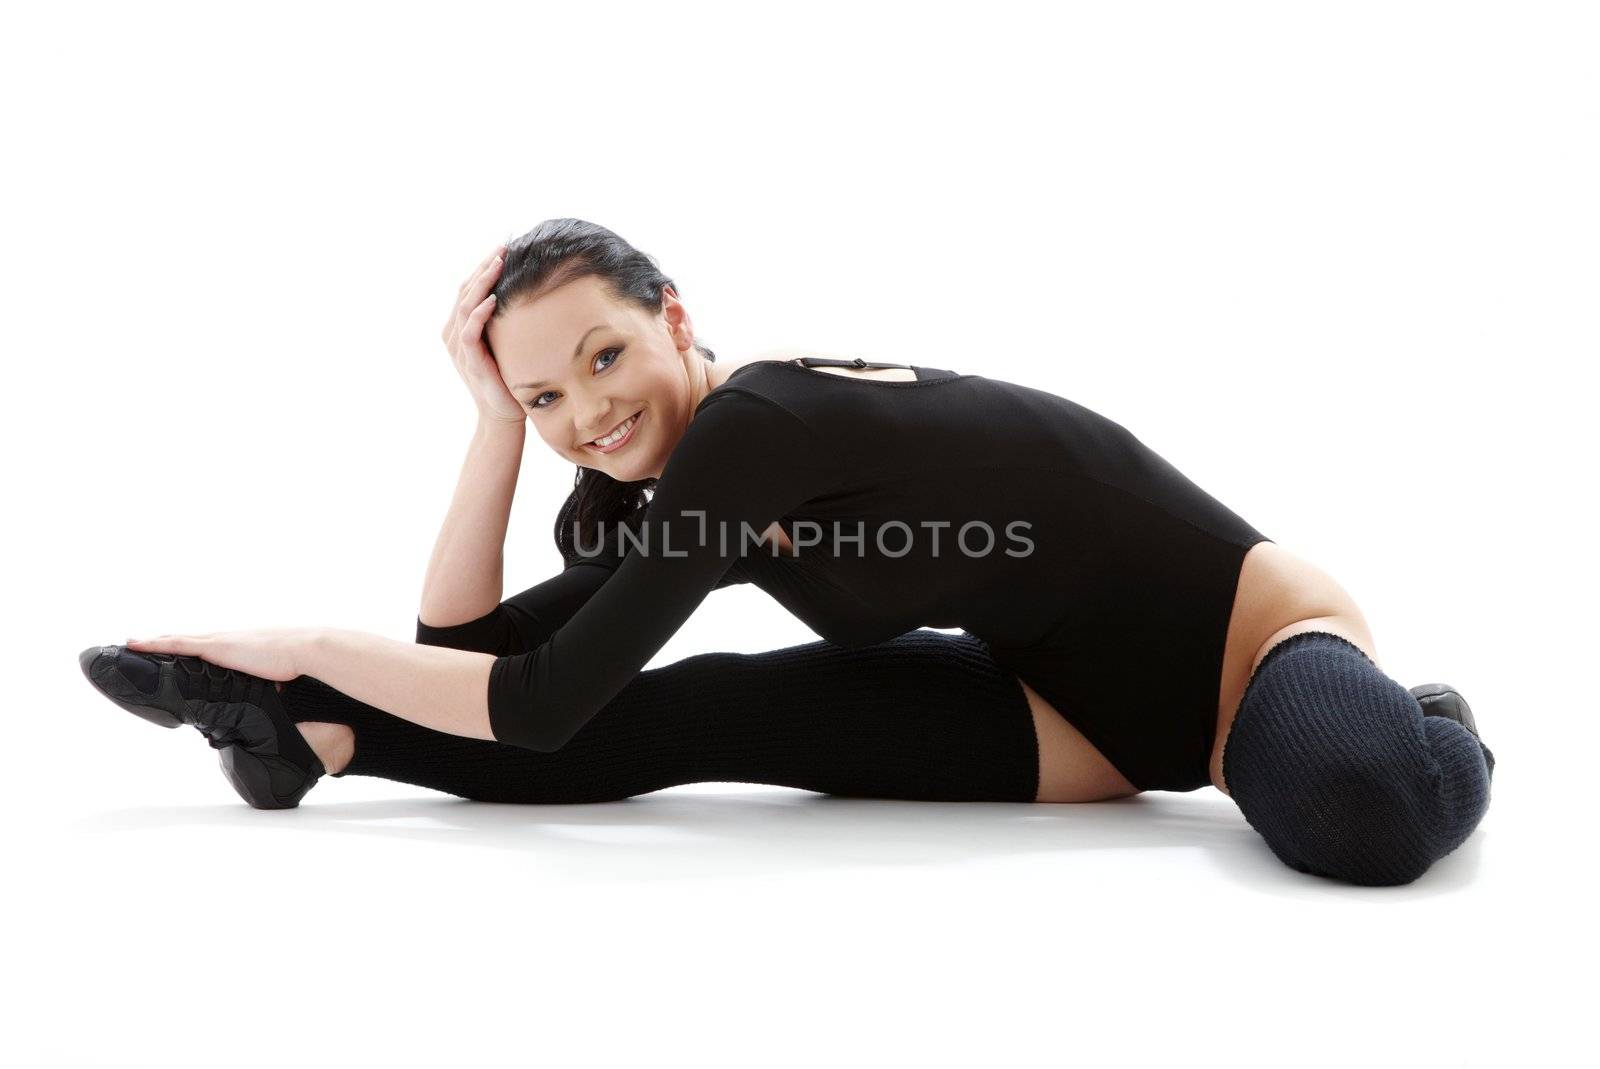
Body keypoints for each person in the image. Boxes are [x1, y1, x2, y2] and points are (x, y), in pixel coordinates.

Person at [79, 218, 1495, 886]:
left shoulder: (759, 425)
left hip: (1247, 640)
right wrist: (487, 426)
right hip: (1085, 722)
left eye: (604, 353)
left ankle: (1426, 713)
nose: (590, 409)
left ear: (675, 314)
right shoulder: (672, 481)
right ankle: (315, 743)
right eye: (544, 395)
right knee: (703, 714)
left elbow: (535, 697)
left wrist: (310, 635)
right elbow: (470, 659)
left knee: (1366, 810)